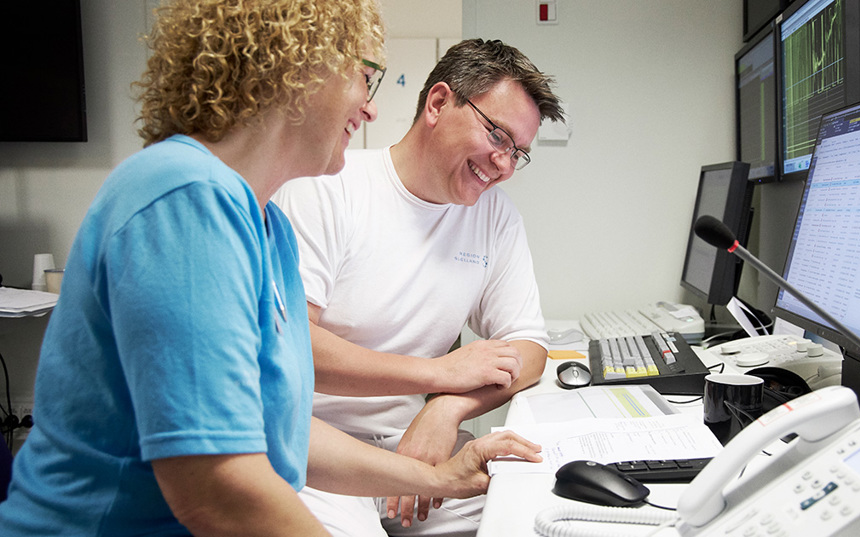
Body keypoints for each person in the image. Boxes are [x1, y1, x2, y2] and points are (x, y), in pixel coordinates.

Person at [0, 4, 541, 536]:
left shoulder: (268, 230)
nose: (370, 109)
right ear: (297, 70)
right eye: (362, 78)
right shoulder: (184, 196)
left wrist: (437, 476)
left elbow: (285, 437)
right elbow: (216, 488)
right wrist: (436, 383)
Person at [273, 38, 565, 536]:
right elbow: (295, 346)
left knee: (539, 512)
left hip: (414, 440)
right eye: (497, 136)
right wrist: (437, 375)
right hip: (314, 449)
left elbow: (530, 346)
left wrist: (447, 408)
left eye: (519, 152)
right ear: (437, 103)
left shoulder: (493, 218)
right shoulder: (330, 188)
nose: (505, 165)